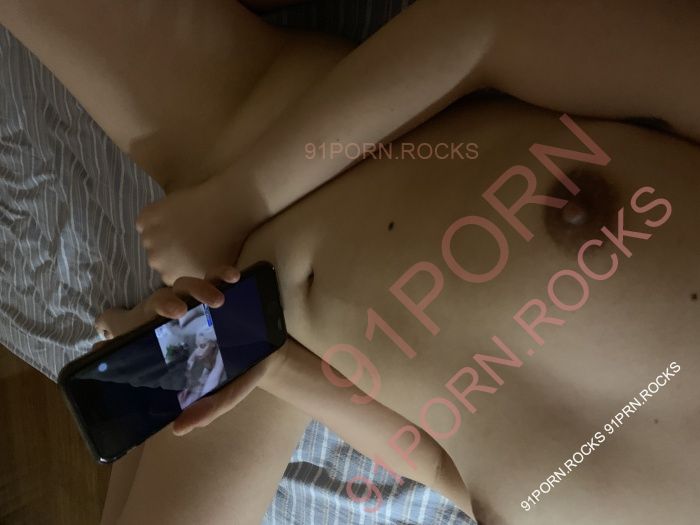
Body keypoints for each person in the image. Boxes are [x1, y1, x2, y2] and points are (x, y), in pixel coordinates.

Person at [2, 0, 698, 523]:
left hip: (258, 330)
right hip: (263, 125)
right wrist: (239, 198)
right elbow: (493, 23)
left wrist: (262, 362)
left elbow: (435, 460)